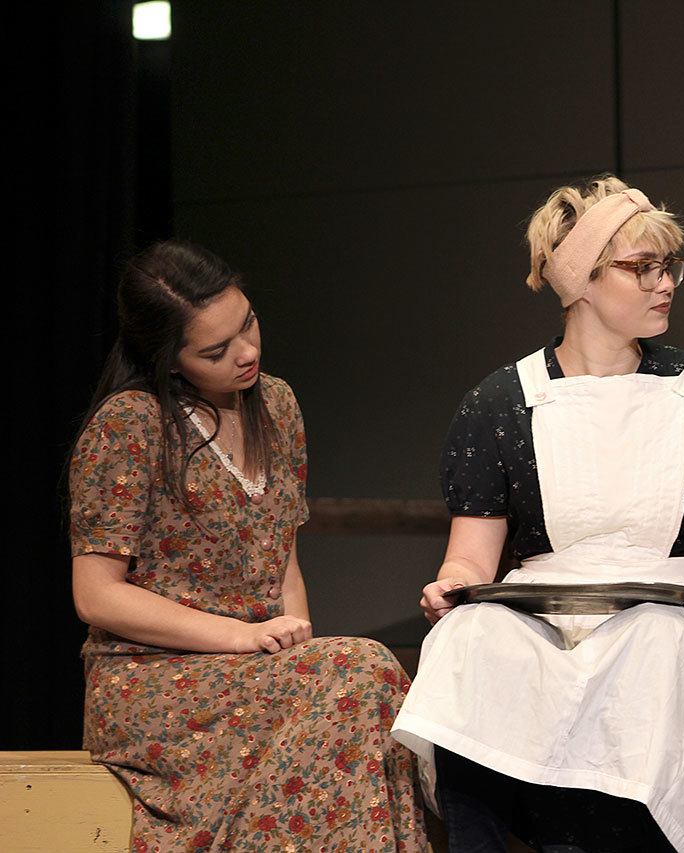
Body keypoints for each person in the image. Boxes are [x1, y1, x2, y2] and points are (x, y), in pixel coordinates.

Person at [391, 176, 684, 852]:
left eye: (670, 266)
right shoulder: (501, 401)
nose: (665, 283)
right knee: (465, 640)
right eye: (643, 267)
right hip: (544, 614)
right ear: (581, 282)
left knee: (654, 646)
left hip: (666, 607)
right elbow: (471, 557)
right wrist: (450, 583)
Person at [69, 240, 426, 852]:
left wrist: (297, 646)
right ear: (169, 359)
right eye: (217, 349)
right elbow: (97, 596)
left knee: (364, 678)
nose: (248, 352)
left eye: (248, 323)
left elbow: (282, 562)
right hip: (157, 680)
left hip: (255, 669)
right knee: (363, 671)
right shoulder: (131, 423)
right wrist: (238, 638)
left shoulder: (277, 406)